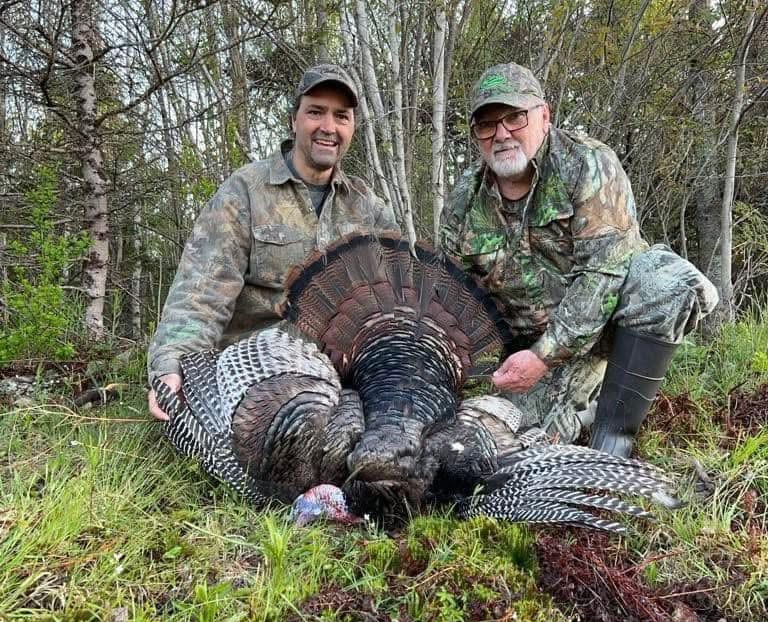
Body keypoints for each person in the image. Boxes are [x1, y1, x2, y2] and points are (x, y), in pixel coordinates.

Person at [440, 62, 718, 456]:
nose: (501, 133)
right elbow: (456, 302)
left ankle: (615, 445)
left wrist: (543, 357)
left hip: (605, 326)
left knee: (668, 285)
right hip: (530, 345)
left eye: (514, 117)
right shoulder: (464, 201)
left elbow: (602, 277)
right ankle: (591, 392)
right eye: (487, 124)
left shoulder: (587, 163)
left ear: (544, 116)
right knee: (512, 450)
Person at [148, 63, 397, 420]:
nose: (328, 127)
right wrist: (173, 365)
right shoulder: (246, 191)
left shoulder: (368, 209)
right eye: (316, 112)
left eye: (341, 116)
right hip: (255, 376)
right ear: (294, 119)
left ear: (353, 127)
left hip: (341, 381)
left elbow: (391, 307)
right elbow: (201, 292)